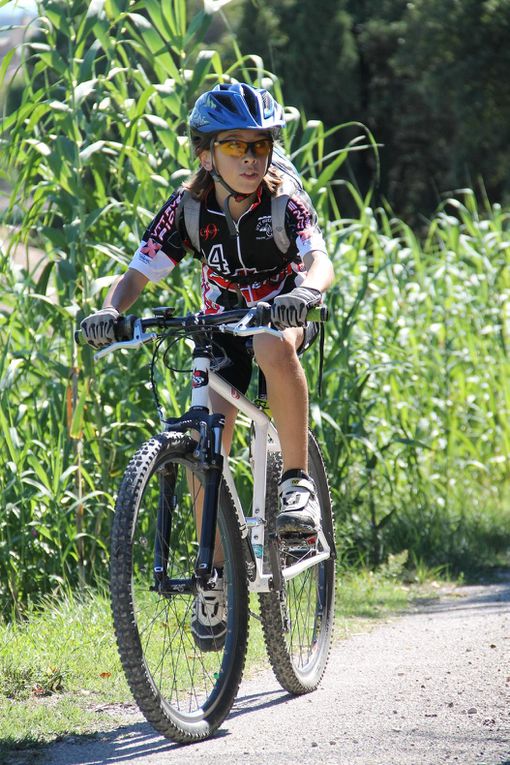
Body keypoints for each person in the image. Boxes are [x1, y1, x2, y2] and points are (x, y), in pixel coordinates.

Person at [81, 82, 334, 650]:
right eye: (235, 147)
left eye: (260, 146)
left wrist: (307, 293)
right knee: (207, 446)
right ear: (206, 154)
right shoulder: (188, 208)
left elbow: (319, 261)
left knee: (271, 345)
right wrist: (109, 311)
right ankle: (215, 575)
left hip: (281, 315)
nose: (251, 159)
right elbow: (141, 272)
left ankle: (295, 485)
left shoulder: (283, 203)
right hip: (221, 327)